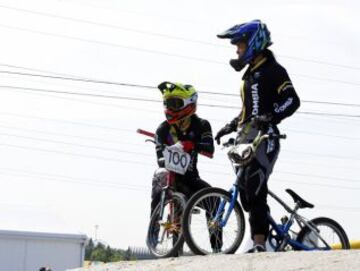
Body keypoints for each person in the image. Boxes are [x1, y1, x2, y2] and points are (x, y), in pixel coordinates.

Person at [215, 20, 300, 253]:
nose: (237, 50)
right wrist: (230, 126)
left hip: (266, 138)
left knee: (255, 185)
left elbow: (293, 100)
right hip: (246, 138)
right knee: (245, 194)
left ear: (253, 43)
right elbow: (248, 112)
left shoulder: (274, 70)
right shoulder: (249, 75)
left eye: (239, 45)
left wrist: (271, 117)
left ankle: (260, 244)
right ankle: (267, 233)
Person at [151, 81, 221, 251]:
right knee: (159, 176)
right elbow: (159, 159)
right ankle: (153, 234)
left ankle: (218, 249)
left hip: (190, 178)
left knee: (215, 201)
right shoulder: (162, 129)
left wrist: (193, 145)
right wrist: (171, 151)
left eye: (176, 103)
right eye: (168, 103)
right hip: (170, 177)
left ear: (190, 104)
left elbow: (210, 150)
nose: (170, 108)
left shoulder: (202, 125)